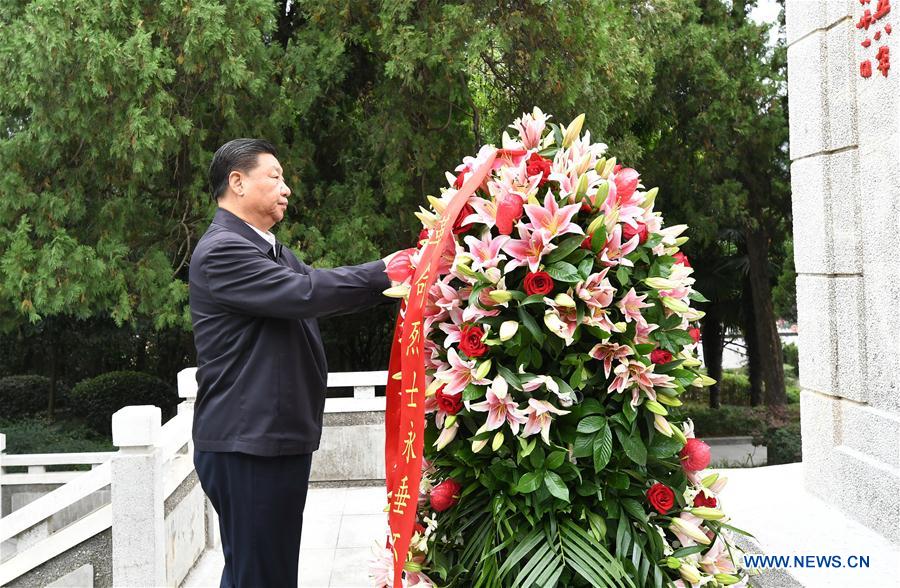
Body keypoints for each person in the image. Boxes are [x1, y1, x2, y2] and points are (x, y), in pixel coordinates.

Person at [189, 138, 400, 587]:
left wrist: (391, 279)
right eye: (276, 176)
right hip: (246, 442)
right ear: (237, 182)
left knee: (261, 571)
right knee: (261, 575)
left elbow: (319, 287)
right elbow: (306, 293)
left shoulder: (272, 250)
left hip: (272, 437)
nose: (286, 189)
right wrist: (388, 270)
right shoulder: (223, 249)